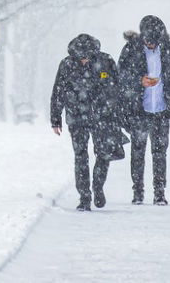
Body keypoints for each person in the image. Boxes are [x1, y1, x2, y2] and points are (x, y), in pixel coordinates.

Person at [49, 33, 123, 211]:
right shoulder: (67, 64)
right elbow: (58, 91)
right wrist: (55, 118)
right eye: (80, 57)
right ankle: (84, 196)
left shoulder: (105, 61)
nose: (83, 61)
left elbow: (116, 87)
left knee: (103, 154)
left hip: (102, 117)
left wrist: (114, 111)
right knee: (80, 156)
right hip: (76, 117)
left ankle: (98, 187)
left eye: (87, 57)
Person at [118, 14, 170, 205]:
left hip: (161, 110)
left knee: (160, 152)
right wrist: (139, 81)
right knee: (137, 151)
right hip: (139, 110)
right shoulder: (130, 50)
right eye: (148, 42)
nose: (151, 45)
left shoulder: (168, 51)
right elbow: (119, 75)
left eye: (154, 42)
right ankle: (138, 192)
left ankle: (159, 193)